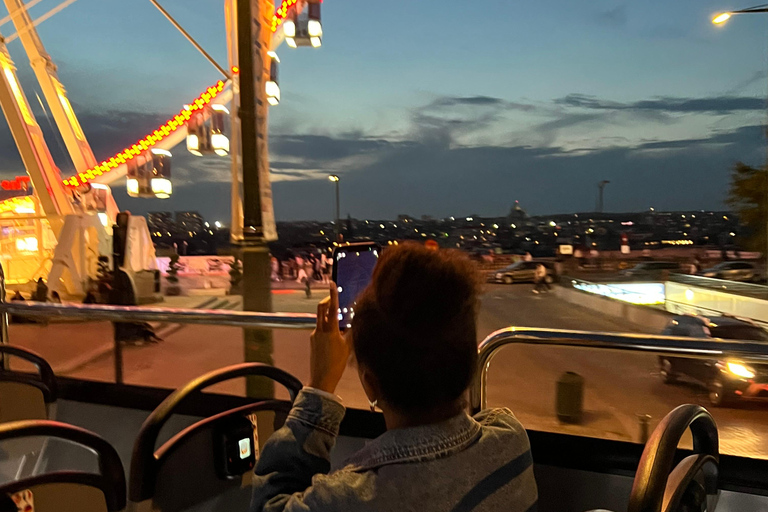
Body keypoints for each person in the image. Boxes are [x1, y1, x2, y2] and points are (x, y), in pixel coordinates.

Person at [250, 243, 537, 512]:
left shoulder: (348, 499)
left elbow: (269, 504)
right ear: (471, 364)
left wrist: (320, 385)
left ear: (370, 384)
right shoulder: (512, 442)